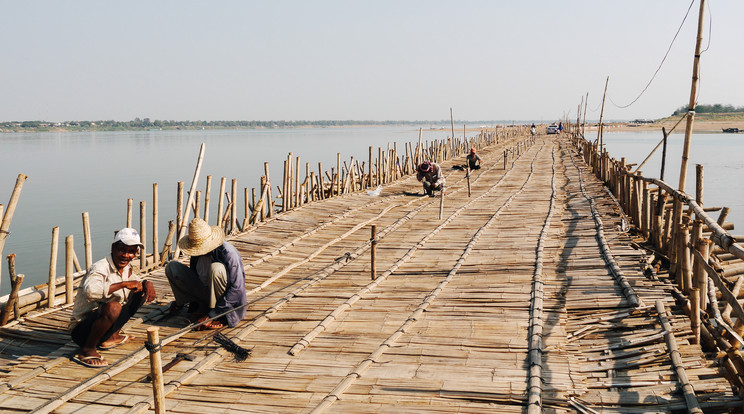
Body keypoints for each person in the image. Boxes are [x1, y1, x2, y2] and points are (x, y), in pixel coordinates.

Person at [70, 228, 156, 368]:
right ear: (113, 248)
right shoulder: (99, 268)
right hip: (82, 331)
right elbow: (90, 291)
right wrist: (122, 284)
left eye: (131, 252)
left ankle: (111, 336)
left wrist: (147, 283)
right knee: (114, 307)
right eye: (122, 250)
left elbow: (136, 281)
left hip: (103, 325)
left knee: (141, 291)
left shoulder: (126, 267)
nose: (126, 255)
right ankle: (88, 349)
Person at [165, 218, 247, 330]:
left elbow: (237, 288)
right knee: (172, 267)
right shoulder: (196, 254)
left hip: (226, 303)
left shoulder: (228, 253)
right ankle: (201, 308)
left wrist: (211, 315)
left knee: (216, 268)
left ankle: (220, 316)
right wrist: (186, 303)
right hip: (205, 295)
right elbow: (195, 278)